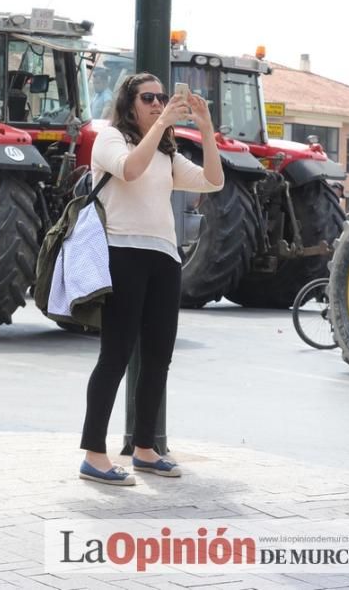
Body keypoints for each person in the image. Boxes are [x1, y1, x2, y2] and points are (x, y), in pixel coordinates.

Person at [79, 73, 224, 486]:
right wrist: (162, 126)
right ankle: (93, 453)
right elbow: (128, 170)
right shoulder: (110, 139)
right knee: (116, 355)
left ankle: (145, 448)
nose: (159, 103)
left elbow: (214, 181)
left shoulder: (166, 152)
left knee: (159, 357)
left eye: (163, 98)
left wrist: (207, 128)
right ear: (129, 103)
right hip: (121, 253)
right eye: (149, 98)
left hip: (163, 258)